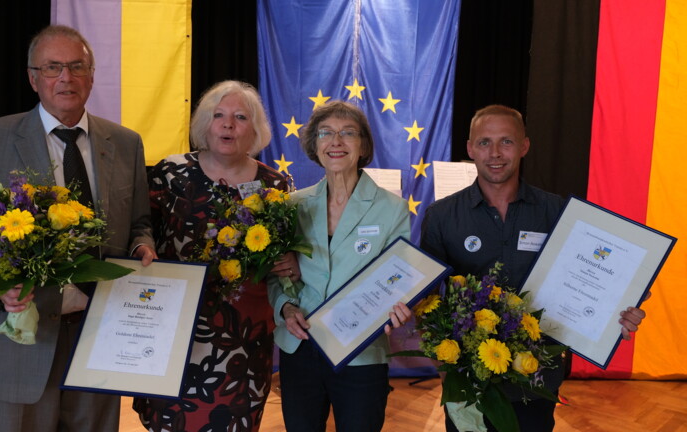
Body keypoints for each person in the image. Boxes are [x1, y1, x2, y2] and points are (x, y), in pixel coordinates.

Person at [0, 25, 157, 431]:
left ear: (92, 76)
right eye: (53, 67)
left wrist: (143, 245)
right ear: (33, 78)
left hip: (99, 338)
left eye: (77, 66)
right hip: (20, 341)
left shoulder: (126, 142)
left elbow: (139, 223)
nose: (66, 77)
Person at [420, 104, 648, 431]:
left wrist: (620, 314)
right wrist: (441, 360)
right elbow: (428, 301)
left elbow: (595, 279)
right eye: (484, 142)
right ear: (470, 149)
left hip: (536, 376)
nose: (495, 153)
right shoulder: (442, 216)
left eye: (506, 142)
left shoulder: (559, 212)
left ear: (524, 145)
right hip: (469, 378)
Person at [133, 80, 291, 432]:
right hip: (175, 322)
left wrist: (287, 262)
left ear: (255, 130)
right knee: (173, 417)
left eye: (240, 117)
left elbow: (283, 252)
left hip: (244, 334)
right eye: (218, 115)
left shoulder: (276, 185)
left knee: (235, 420)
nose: (228, 124)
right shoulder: (170, 172)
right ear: (205, 124)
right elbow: (140, 228)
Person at [268, 101, 412, 432]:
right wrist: (285, 307)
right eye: (326, 133)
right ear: (313, 145)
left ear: (363, 145)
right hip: (300, 345)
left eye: (348, 133)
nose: (336, 142)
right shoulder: (293, 206)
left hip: (361, 352)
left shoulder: (391, 208)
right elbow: (277, 276)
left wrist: (399, 306)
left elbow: (399, 277)